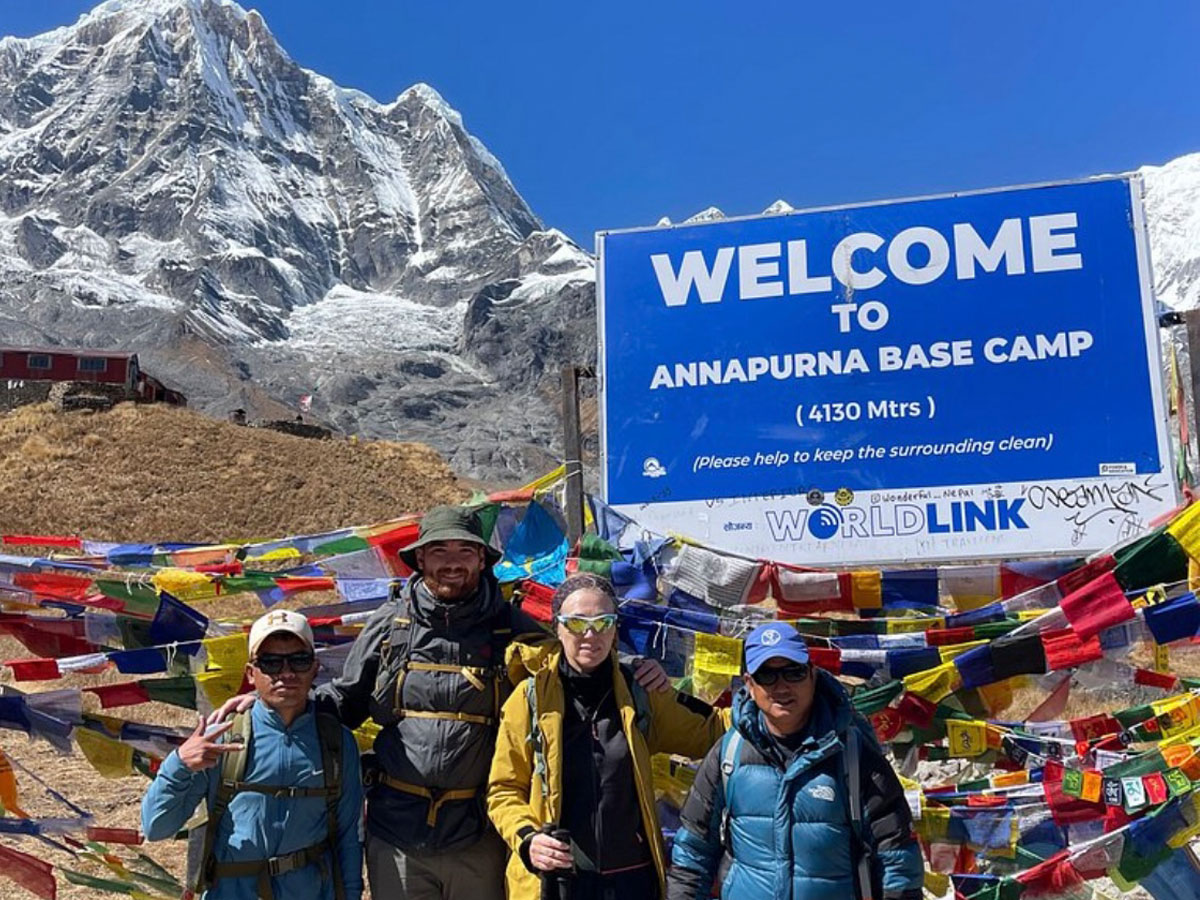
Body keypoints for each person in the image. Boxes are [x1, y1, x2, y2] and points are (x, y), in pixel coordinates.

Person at [208, 504, 669, 900]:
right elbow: (347, 702)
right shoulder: (390, 628)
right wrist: (272, 706)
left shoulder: (511, 629)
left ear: (482, 560)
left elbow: (577, 652)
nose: (452, 563)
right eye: (439, 552)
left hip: (480, 838)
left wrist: (632, 669)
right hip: (397, 837)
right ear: (420, 559)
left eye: (465, 551)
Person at [488, 573, 729, 900]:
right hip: (557, 882)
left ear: (615, 629)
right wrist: (528, 839)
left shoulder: (639, 692)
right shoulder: (529, 699)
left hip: (633, 881)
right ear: (557, 627)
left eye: (603, 622)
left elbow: (711, 731)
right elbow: (503, 789)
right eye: (576, 623)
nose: (589, 634)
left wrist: (774, 693)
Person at [666, 622, 924, 900]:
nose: (782, 686)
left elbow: (897, 857)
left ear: (812, 675)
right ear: (750, 684)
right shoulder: (729, 754)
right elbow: (693, 852)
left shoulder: (852, 753)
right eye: (767, 675)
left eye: (794, 672)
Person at [141, 610, 364, 900]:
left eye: (299, 660)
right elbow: (156, 827)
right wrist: (179, 763)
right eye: (270, 663)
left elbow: (348, 837)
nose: (286, 673)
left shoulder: (336, 742)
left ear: (314, 668)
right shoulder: (221, 737)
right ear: (251, 673)